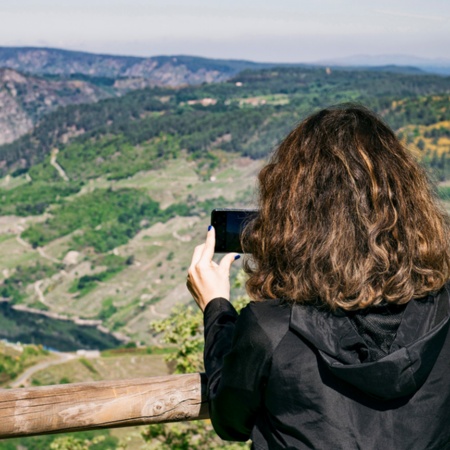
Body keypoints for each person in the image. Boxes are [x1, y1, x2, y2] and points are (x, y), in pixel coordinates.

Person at [186, 104, 450, 449]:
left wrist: (216, 308)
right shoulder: (443, 307)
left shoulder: (272, 328)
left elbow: (231, 419)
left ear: (291, 218)